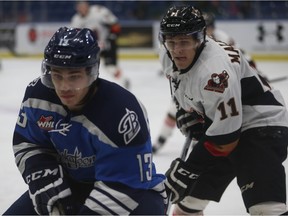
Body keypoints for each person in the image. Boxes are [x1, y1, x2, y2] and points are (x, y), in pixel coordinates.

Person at [3, 27, 167, 215]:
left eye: (74, 77)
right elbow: (29, 143)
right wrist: (47, 184)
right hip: (71, 184)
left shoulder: (121, 111)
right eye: (57, 75)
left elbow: (124, 183)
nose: (64, 87)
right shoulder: (37, 97)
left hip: (135, 191)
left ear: (91, 72)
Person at [159, 5, 288, 215]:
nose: (177, 50)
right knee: (186, 205)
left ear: (200, 39)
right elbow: (181, 85)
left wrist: (188, 168)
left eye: (184, 42)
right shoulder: (168, 55)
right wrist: (186, 111)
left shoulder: (214, 71)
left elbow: (226, 137)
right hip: (223, 124)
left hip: (260, 124)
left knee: (266, 209)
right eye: (171, 42)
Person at [152, 10, 259, 154]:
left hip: (215, 85)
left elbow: (242, 58)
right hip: (189, 87)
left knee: (210, 119)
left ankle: (200, 147)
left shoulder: (221, 39)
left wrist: (253, 76)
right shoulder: (176, 47)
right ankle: (160, 141)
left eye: (209, 27)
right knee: (175, 112)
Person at [70, 1, 130, 89]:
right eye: (80, 6)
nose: (82, 8)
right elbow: (74, 37)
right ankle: (85, 87)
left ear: (87, 5)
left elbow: (115, 24)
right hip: (90, 49)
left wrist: (112, 36)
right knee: (84, 68)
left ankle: (124, 80)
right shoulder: (76, 20)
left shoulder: (98, 12)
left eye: (84, 5)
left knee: (110, 67)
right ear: (77, 8)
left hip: (106, 44)